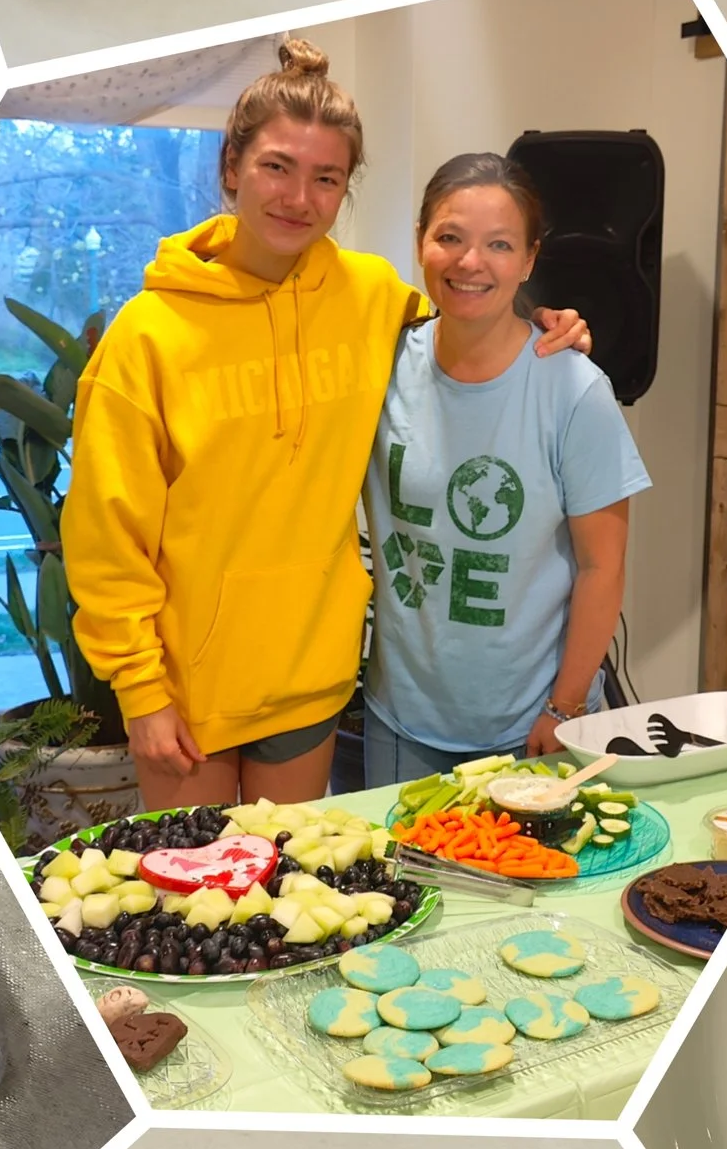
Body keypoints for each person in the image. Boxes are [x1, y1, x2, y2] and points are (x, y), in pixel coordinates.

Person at [61, 39, 588, 807]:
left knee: (296, 878)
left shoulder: (372, 297)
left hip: (311, 682)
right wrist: (140, 691)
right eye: (277, 166)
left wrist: (549, 321)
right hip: (186, 689)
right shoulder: (147, 335)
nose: (297, 197)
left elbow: (468, 326)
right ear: (231, 167)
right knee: (190, 879)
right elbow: (105, 535)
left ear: (345, 189)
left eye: (326, 178)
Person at [361, 155, 651, 781]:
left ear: (528, 260)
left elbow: (602, 567)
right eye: (450, 237)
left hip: (533, 725)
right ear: (420, 241)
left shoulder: (574, 389)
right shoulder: (380, 364)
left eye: (499, 244)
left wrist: (564, 707)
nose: (470, 262)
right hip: (401, 720)